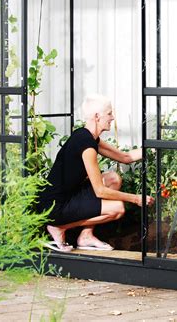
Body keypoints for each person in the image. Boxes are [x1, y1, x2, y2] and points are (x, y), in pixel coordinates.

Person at [38, 94, 155, 253]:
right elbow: (99, 190)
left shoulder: (88, 137)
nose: (112, 117)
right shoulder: (86, 146)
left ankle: (86, 236)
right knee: (118, 209)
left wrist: (155, 147)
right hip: (56, 206)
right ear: (97, 116)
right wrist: (135, 199)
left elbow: (125, 157)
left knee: (113, 179)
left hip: (70, 195)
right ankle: (58, 227)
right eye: (109, 113)